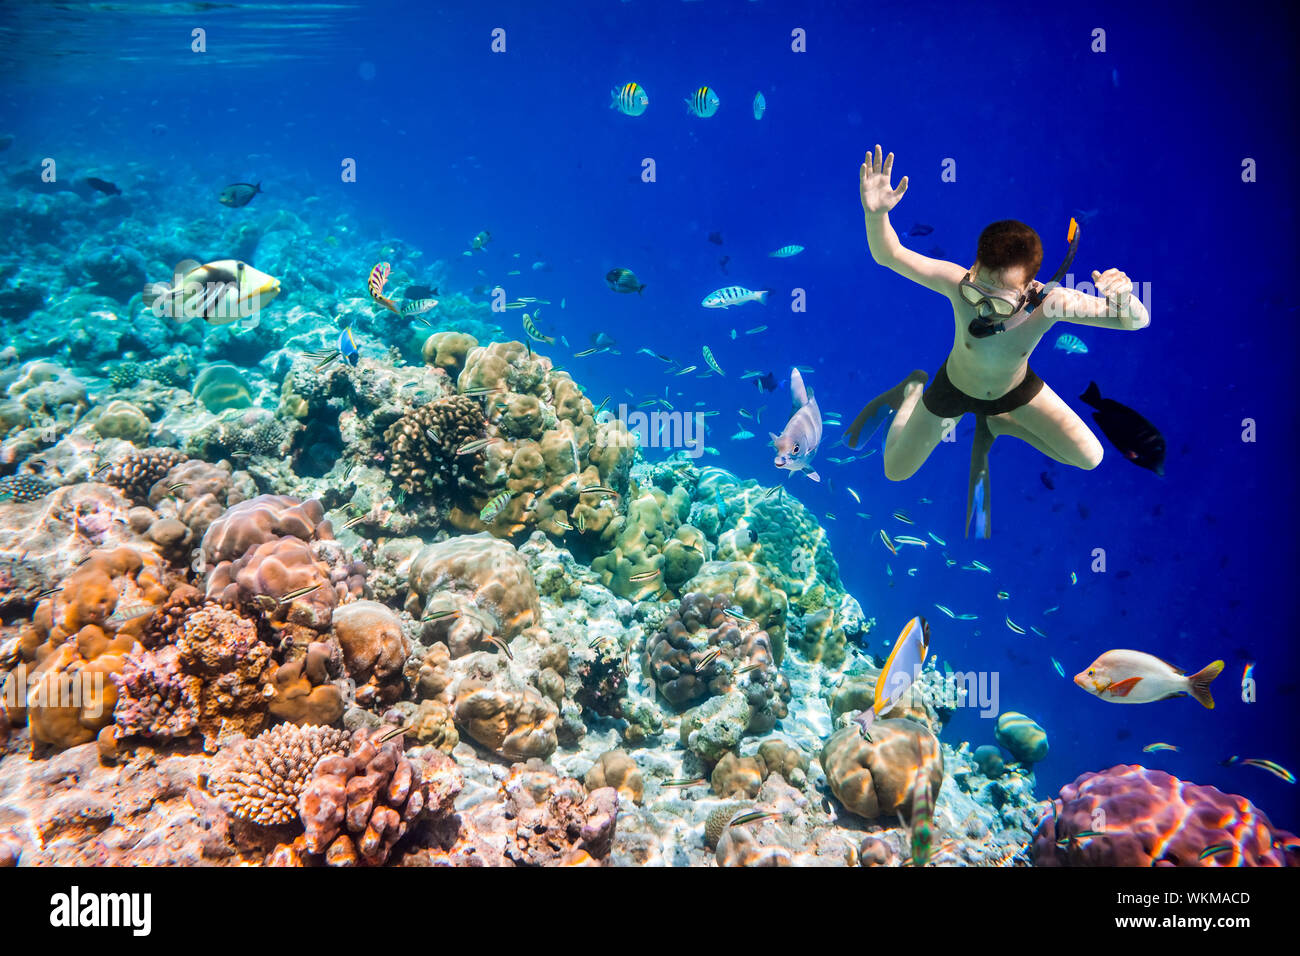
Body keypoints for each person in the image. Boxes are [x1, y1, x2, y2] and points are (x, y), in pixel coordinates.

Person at [846, 145, 1150, 535]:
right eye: (978, 292)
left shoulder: (1052, 302)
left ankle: (1001, 423)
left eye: (1000, 303)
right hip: (953, 388)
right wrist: (876, 215)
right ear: (973, 268)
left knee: (1091, 457)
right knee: (895, 471)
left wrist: (1126, 300)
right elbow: (890, 254)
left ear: (1029, 290)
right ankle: (913, 390)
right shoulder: (956, 282)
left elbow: (1134, 323)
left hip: (1015, 392)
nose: (983, 309)